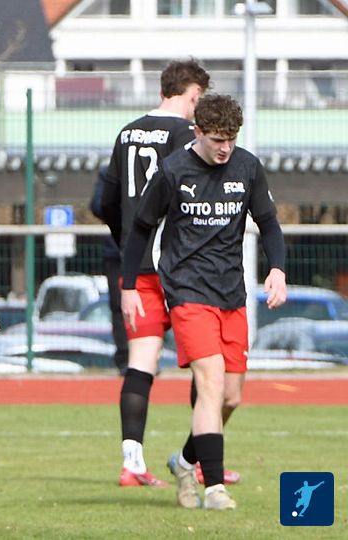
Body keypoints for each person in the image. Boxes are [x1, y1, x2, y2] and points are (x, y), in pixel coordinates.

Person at [120, 93, 287, 510]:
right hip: (187, 291)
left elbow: (269, 223)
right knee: (210, 381)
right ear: (197, 132)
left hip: (232, 294)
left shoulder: (248, 167)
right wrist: (129, 285)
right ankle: (213, 488)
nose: (225, 147)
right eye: (217, 139)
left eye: (231, 138)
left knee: (230, 397)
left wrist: (278, 269)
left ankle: (184, 461)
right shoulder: (173, 170)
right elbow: (141, 227)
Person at [100, 59, 210, 488]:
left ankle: (132, 464)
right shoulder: (186, 135)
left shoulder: (127, 132)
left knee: (140, 363)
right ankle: (201, 460)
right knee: (206, 363)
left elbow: (106, 201)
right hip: (178, 265)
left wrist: (128, 238)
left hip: (138, 265)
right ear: (192, 95)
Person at [89, 166, 127, 375]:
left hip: (149, 252)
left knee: (152, 306)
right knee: (119, 306)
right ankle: (125, 359)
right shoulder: (110, 173)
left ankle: (150, 355)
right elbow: (98, 205)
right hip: (116, 252)